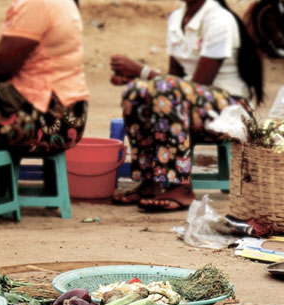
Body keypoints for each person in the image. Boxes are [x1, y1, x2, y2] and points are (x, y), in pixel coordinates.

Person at [108, 0, 263, 211]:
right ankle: (149, 181)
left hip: (231, 112)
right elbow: (175, 81)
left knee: (162, 90)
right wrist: (138, 82)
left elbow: (196, 85)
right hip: (191, 107)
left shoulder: (219, 19)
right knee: (135, 93)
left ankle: (181, 186)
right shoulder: (176, 19)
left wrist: (142, 72)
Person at [0, 0, 88, 155]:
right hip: (59, 110)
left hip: (52, 119)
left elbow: (3, 67)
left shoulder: (37, 4)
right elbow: (10, 53)